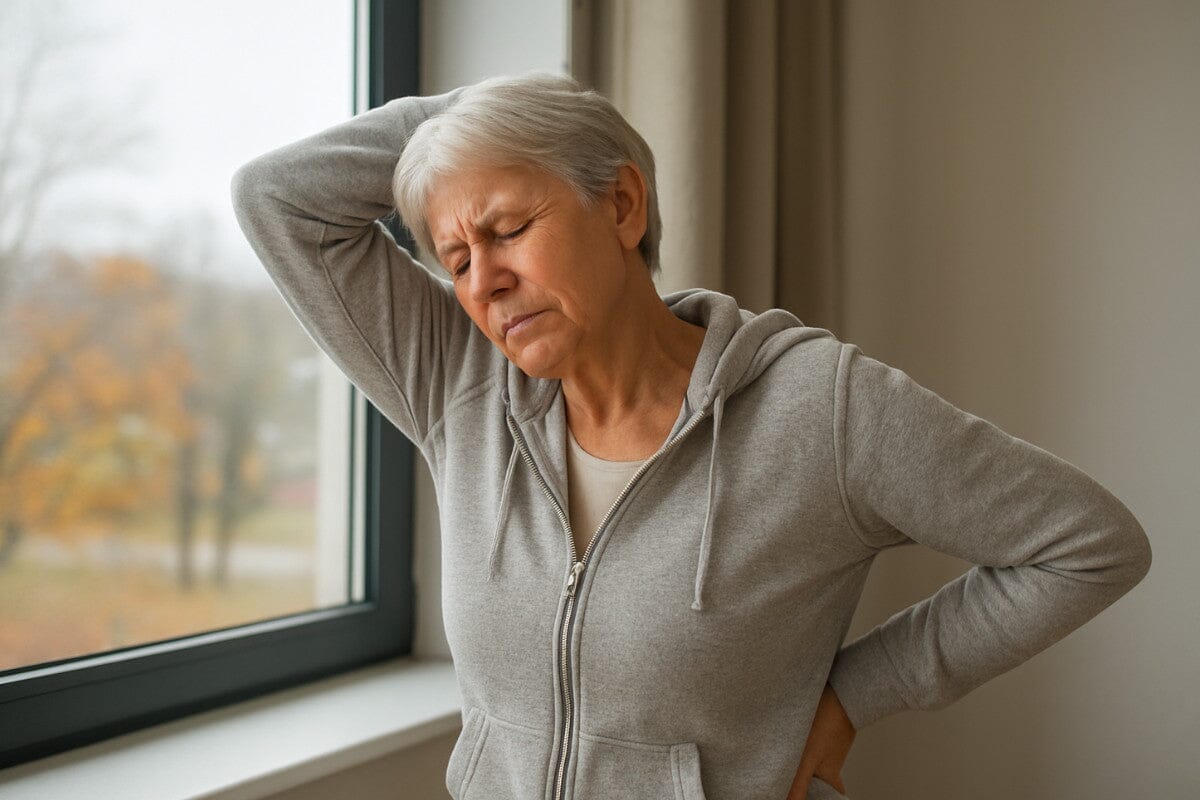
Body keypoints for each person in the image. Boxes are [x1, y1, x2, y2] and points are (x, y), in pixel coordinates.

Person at [230, 73, 1152, 800]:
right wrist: (470, 115)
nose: (483, 283)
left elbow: (1088, 546)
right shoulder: (459, 386)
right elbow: (277, 199)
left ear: (623, 205)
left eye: (509, 228)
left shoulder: (818, 408)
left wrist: (856, 695)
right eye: (456, 258)